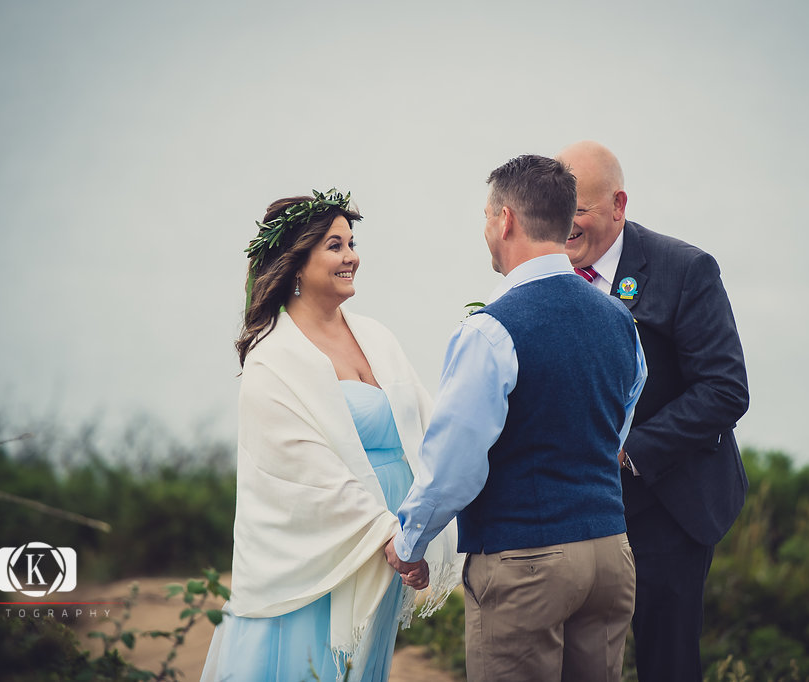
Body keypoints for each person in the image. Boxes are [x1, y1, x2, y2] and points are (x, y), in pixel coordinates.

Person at [384, 156, 648, 682]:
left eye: (486, 216)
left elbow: (455, 461)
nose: (485, 228)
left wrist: (410, 542)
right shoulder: (619, 319)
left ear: (505, 220)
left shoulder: (491, 331)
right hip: (610, 554)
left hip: (527, 560)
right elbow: (617, 424)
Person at [200, 190, 461, 682]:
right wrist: (386, 533)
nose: (351, 257)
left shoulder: (376, 336)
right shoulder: (272, 357)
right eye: (335, 246)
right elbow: (301, 470)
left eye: (352, 243)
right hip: (324, 549)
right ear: (297, 263)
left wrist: (423, 524)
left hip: (391, 546)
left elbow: (429, 425)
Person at [556, 140, 750, 681]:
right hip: (579, 507)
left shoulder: (685, 269)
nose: (564, 225)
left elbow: (726, 389)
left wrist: (627, 453)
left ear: (619, 205)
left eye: (579, 211)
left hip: (669, 501)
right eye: (554, 209)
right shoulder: (545, 272)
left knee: (666, 661)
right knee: (582, 659)